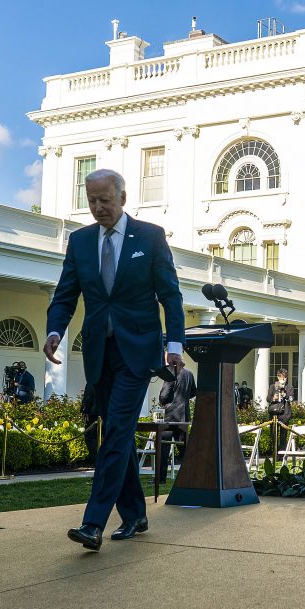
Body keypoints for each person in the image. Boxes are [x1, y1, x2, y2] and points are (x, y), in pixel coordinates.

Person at [45, 168, 185, 552]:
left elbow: (170, 296)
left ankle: (93, 523)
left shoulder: (150, 237)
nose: (98, 207)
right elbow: (65, 294)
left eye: (105, 199)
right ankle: (136, 513)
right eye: (91, 200)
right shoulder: (80, 241)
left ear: (123, 198)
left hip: (137, 352)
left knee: (119, 430)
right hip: (98, 352)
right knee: (116, 435)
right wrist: (55, 330)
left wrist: (174, 343)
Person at [157, 365, 196, 484]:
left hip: (171, 416)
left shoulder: (171, 372)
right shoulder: (189, 373)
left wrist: (165, 402)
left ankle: (161, 478)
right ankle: (190, 476)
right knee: (185, 450)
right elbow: (194, 391)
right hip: (184, 415)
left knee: (163, 448)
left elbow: (164, 395)